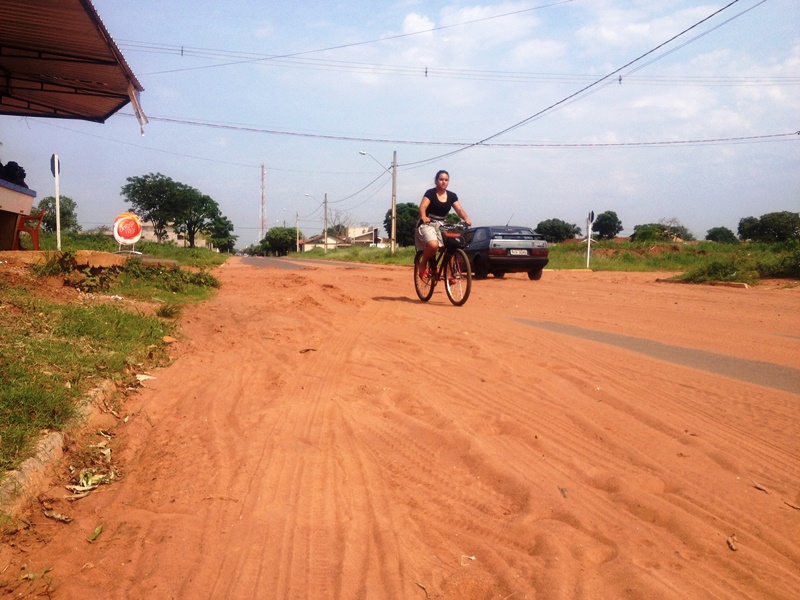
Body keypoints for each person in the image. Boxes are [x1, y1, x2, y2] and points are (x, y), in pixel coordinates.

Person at [415, 170, 472, 278]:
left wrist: (466, 218)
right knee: (433, 245)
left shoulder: (452, 196)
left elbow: (459, 210)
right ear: (436, 181)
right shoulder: (430, 193)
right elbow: (423, 206)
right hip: (428, 223)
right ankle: (423, 264)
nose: (443, 182)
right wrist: (423, 216)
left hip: (442, 225)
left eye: (446, 180)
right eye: (441, 179)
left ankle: (450, 275)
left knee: (451, 246)